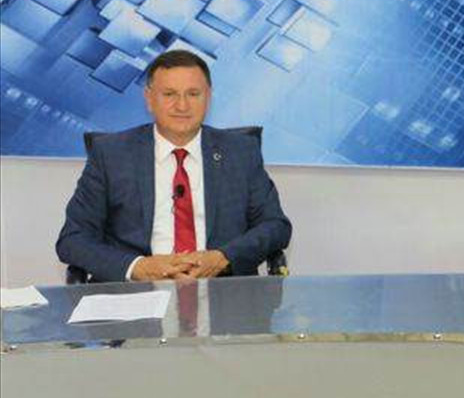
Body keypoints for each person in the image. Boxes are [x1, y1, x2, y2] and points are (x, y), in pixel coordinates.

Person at [56, 50, 292, 282]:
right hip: (136, 293)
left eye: (193, 94)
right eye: (169, 94)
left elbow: (276, 226)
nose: (182, 106)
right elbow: (73, 239)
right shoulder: (111, 154)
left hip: (221, 289)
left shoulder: (241, 151)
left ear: (208, 97)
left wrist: (223, 258)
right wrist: (139, 267)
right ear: (149, 99)